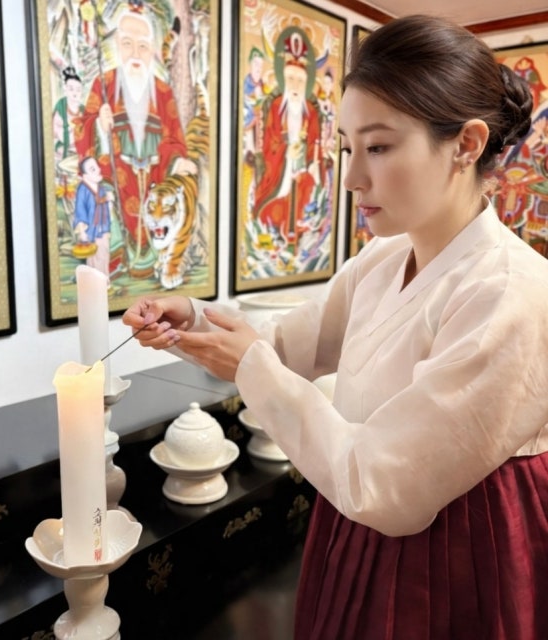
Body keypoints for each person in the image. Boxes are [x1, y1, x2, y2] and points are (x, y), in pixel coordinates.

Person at [122, 15, 548, 639]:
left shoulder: (512, 293)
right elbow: (288, 346)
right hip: (353, 516)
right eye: (349, 149)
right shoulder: (382, 258)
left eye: (379, 147)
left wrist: (253, 367)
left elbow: (387, 485)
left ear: (466, 143)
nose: (351, 179)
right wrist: (195, 318)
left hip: (460, 548)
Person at [75, 3, 196, 277]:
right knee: (103, 199)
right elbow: (82, 130)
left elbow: (175, 138)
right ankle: (114, 258)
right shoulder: (104, 84)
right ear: (118, 45)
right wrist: (98, 125)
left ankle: (152, 256)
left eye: (143, 46)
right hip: (115, 173)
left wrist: (177, 161)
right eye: (128, 44)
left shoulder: (162, 91)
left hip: (154, 174)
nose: (135, 53)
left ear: (152, 49)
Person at [253, 26, 321, 255]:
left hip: (302, 169)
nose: (295, 86)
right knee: (274, 209)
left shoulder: (311, 111)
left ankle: (298, 232)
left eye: (300, 81)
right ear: (283, 78)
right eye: (291, 79)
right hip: (279, 169)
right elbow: (268, 142)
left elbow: (315, 143)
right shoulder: (275, 107)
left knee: (306, 189)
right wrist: (285, 153)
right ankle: (274, 236)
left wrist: (311, 164)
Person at [73, 156, 113, 281]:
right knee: (94, 259)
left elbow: (106, 208)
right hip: (91, 231)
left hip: (103, 229)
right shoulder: (83, 190)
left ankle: (105, 282)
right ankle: (97, 284)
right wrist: (82, 232)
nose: (98, 170)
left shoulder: (101, 188)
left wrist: (109, 200)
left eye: (97, 167)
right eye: (93, 169)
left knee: (104, 255)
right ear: (85, 175)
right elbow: (80, 211)